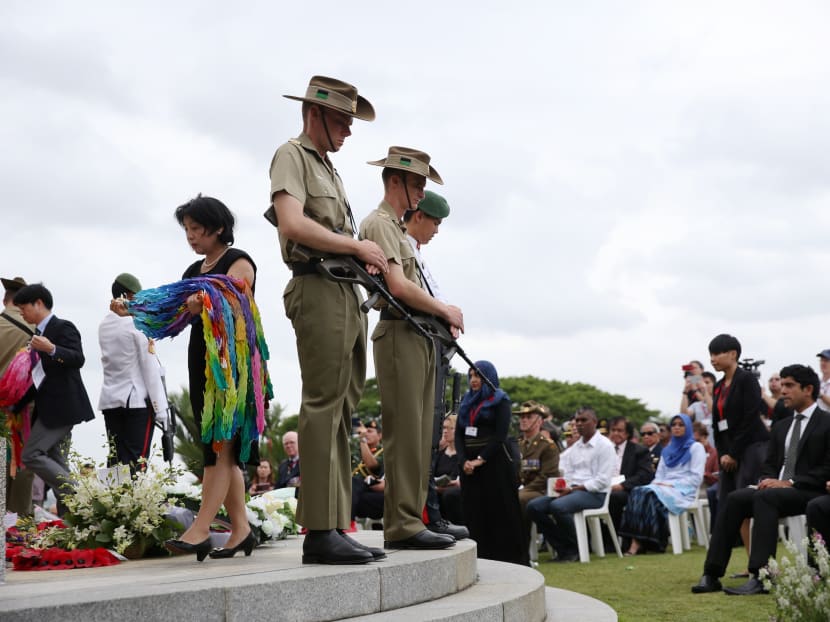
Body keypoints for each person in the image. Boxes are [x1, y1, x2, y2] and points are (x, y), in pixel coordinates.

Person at [268, 75, 387, 565]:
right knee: (322, 406)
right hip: (316, 285)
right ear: (314, 113)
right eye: (342, 119)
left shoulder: (330, 170)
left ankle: (335, 524)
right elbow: (293, 224)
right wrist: (357, 245)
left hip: (344, 290)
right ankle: (319, 530)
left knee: (342, 411)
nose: (349, 131)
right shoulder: (291, 154)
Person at [359, 146, 463, 551]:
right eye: (417, 183)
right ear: (394, 180)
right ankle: (402, 523)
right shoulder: (380, 224)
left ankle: (413, 517)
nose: (421, 192)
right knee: (405, 433)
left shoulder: (397, 231)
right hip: (399, 331)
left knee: (421, 436)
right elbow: (399, 289)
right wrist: (446, 309)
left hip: (418, 334)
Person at [158, 195, 259, 561]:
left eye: (196, 229)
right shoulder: (192, 270)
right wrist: (138, 308)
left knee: (221, 447)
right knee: (218, 448)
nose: (191, 236)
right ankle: (242, 529)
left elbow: (234, 302)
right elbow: (176, 312)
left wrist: (207, 303)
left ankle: (201, 529)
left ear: (218, 228)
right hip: (201, 362)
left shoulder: (239, 261)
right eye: (186, 229)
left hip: (231, 366)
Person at [692, 364, 830, 595]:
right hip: (778, 488)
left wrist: (790, 482)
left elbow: (826, 469)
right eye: (782, 385)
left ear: (808, 389)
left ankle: (763, 576)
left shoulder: (826, 422)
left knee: (767, 498)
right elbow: (769, 464)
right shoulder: (782, 426)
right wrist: (767, 479)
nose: (783, 391)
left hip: (811, 489)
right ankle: (711, 574)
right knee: (735, 498)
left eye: (789, 385)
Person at [404, 189, 468, 541]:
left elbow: (434, 294)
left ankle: (432, 515)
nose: (437, 230)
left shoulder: (417, 255)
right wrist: (445, 311)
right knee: (422, 438)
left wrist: (449, 313)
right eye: (435, 222)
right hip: (417, 342)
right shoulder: (402, 247)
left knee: (429, 438)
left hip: (435, 344)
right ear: (418, 216)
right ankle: (427, 516)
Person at [13, 284, 96, 515]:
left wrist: (52, 350)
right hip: (48, 409)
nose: (23, 314)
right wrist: (15, 406)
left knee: (32, 454)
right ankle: (74, 515)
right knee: (55, 459)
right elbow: (38, 378)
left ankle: (78, 494)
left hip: (63, 408)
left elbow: (78, 358)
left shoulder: (62, 327)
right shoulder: (36, 335)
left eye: (23, 309)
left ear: (38, 303)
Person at [456, 361, 528, 565]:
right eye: (470, 376)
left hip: (494, 464)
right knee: (474, 512)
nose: (473, 380)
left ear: (488, 377)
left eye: (478, 375)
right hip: (469, 468)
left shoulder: (500, 400)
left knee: (500, 512)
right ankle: (480, 557)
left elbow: (500, 435)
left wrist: (480, 460)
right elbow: (459, 435)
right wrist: (464, 461)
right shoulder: (466, 401)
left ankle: (508, 559)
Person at [98, 272, 168, 471]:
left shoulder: (104, 324)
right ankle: (130, 503)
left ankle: (110, 501)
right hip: (135, 401)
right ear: (128, 296)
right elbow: (150, 368)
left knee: (115, 462)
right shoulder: (136, 323)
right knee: (136, 464)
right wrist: (160, 408)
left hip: (111, 400)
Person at [526, 407, 616, 563]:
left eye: (583, 420)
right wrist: (562, 487)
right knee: (534, 506)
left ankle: (576, 549)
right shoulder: (575, 447)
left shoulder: (605, 445)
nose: (579, 424)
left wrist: (574, 489)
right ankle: (564, 548)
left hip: (595, 494)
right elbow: (566, 472)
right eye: (577, 421)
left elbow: (602, 480)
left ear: (594, 422)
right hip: (572, 492)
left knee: (558, 506)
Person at [620, 414, 705, 555]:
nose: (676, 427)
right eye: (674, 425)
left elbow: (696, 478)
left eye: (681, 424)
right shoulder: (667, 450)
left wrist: (670, 485)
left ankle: (642, 544)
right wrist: (660, 485)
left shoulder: (696, 448)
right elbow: (659, 476)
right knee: (637, 491)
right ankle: (641, 542)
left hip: (683, 490)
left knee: (648, 494)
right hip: (662, 487)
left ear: (688, 427)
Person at [1, 275, 36, 516]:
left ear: (5, 298)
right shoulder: (36, 329)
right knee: (23, 461)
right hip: (26, 403)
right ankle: (20, 520)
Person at [607, 416, 654, 542]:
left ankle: (612, 541)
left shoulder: (639, 450)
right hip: (604, 487)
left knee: (614, 498)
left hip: (627, 490)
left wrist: (622, 485)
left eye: (620, 430)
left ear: (627, 433)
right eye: (613, 430)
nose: (616, 433)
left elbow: (644, 475)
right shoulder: (603, 449)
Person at [514, 400, 560, 517]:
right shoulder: (518, 444)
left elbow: (546, 476)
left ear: (539, 421)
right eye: (522, 417)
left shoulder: (548, 446)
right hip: (524, 488)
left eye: (529, 417)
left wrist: (524, 490)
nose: (524, 420)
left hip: (541, 491)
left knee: (520, 498)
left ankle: (523, 535)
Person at [351, 419, 385, 523]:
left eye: (369, 431)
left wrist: (362, 440)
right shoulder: (355, 452)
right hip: (357, 495)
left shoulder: (384, 453)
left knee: (354, 483)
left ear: (380, 436)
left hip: (377, 495)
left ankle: (347, 522)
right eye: (364, 431)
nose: (365, 434)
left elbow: (372, 465)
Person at [432, 414, 462, 525]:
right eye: (444, 428)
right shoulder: (439, 454)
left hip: (452, 493)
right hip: (437, 489)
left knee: (450, 494)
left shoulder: (462, 454)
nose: (445, 431)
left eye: (451, 428)